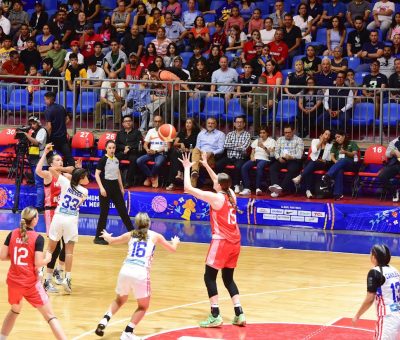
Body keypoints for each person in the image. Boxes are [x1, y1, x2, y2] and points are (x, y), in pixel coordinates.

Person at [180, 152, 246, 328]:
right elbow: (219, 178)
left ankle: (215, 314)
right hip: (235, 242)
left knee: (209, 277)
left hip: (221, 241)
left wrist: (187, 169)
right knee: (228, 278)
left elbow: (188, 188)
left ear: (219, 185)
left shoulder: (216, 198)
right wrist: (206, 165)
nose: (213, 181)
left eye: (215, 181)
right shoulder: (231, 193)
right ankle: (239, 313)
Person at [95, 212, 180, 339]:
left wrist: (107, 236)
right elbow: (172, 249)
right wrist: (175, 242)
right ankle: (128, 332)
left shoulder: (130, 234)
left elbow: (112, 241)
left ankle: (104, 321)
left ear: (136, 223)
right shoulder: (156, 236)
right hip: (140, 272)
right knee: (143, 306)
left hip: (125, 270)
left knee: (119, 300)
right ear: (149, 223)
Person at [0, 206, 67, 340]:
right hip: (30, 283)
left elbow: (2, 256)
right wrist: (47, 258)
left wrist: (15, 257)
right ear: (35, 220)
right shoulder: (37, 238)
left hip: (13, 282)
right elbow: (37, 262)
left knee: (14, 310)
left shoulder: (12, 233)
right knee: (50, 316)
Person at [36, 144, 77, 294]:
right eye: (58, 160)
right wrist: (45, 153)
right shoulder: (48, 175)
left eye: (61, 160)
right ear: (52, 163)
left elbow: (77, 177)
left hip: (64, 213)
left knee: (67, 245)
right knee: (55, 247)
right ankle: (46, 278)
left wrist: (77, 168)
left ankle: (58, 271)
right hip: (51, 212)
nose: (60, 162)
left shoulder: (65, 177)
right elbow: (37, 170)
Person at [46, 167, 89, 293]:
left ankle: (47, 279)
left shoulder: (65, 182)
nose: (88, 179)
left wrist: (64, 169)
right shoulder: (85, 191)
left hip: (58, 217)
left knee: (50, 249)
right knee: (69, 252)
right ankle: (67, 278)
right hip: (70, 220)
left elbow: (51, 169)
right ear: (81, 178)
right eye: (86, 176)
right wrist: (72, 172)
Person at [353, 244, 400, 339]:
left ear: (374, 257)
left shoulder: (375, 272)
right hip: (397, 312)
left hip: (387, 317)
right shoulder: (395, 270)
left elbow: (370, 298)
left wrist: (358, 315)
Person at [94, 140, 135, 245]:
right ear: (106, 149)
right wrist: (101, 188)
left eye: (113, 148)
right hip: (106, 187)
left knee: (123, 211)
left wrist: (121, 187)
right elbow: (97, 174)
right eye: (110, 148)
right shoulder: (103, 160)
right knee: (104, 213)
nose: (112, 150)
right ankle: (98, 238)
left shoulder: (116, 160)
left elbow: (118, 174)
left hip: (115, 187)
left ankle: (134, 234)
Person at [215, 116, 251, 194]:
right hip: (229, 157)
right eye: (237, 122)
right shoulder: (230, 134)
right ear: (234, 124)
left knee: (238, 166)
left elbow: (244, 148)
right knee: (218, 164)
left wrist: (233, 145)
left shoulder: (247, 135)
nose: (239, 124)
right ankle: (220, 184)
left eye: (241, 122)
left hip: (240, 157)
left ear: (244, 124)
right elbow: (225, 145)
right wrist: (238, 145)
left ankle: (236, 185)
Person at [292, 130, 332, 199]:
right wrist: (320, 142)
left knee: (311, 165)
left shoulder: (330, 145)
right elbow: (314, 151)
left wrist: (324, 160)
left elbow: (329, 158)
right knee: (310, 167)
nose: (327, 136)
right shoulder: (315, 141)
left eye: (329, 135)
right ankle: (308, 191)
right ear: (322, 134)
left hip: (322, 164)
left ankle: (300, 177)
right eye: (326, 134)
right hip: (312, 162)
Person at [320, 131, 359, 200]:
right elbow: (332, 156)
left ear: (343, 136)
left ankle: (328, 175)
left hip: (351, 164)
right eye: (336, 138)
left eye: (339, 137)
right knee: (339, 170)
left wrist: (345, 152)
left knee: (344, 160)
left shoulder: (352, 143)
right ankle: (337, 194)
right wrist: (336, 162)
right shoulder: (335, 145)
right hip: (340, 165)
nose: (337, 139)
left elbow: (354, 154)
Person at [268, 125, 304, 198]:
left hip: (293, 160)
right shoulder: (280, 139)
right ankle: (276, 186)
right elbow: (276, 152)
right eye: (285, 132)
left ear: (293, 131)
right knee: (272, 167)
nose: (287, 134)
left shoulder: (299, 140)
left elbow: (299, 155)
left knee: (292, 169)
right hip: (282, 159)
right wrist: (278, 158)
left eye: (289, 132)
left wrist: (291, 157)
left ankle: (281, 189)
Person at [240, 126, 276, 196]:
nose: (262, 134)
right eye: (260, 133)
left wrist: (264, 147)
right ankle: (247, 188)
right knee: (244, 167)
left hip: (265, 159)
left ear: (267, 133)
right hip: (256, 158)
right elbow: (253, 151)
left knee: (260, 166)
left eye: (263, 133)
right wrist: (252, 156)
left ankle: (258, 188)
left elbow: (272, 154)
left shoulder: (272, 141)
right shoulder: (257, 141)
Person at [136, 115, 170, 188]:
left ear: (162, 122)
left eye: (159, 121)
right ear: (153, 122)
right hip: (151, 153)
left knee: (157, 164)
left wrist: (156, 151)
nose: (157, 123)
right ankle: (152, 177)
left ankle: (149, 178)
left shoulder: (166, 131)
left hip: (161, 154)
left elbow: (168, 147)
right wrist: (147, 150)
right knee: (139, 161)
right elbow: (145, 144)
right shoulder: (150, 131)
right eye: (155, 121)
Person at [190, 117, 225, 187]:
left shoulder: (220, 134)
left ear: (216, 125)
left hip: (211, 157)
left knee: (195, 162)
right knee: (196, 149)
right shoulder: (201, 134)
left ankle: (192, 185)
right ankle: (195, 171)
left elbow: (221, 149)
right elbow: (198, 146)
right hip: (201, 154)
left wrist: (212, 152)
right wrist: (202, 153)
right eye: (208, 123)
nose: (210, 125)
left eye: (212, 123)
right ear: (206, 124)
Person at [166, 118, 200, 191]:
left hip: (191, 153)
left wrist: (189, 150)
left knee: (175, 158)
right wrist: (181, 143)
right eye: (186, 123)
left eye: (190, 123)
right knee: (175, 153)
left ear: (193, 125)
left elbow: (198, 145)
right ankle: (178, 174)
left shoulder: (197, 134)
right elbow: (175, 143)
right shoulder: (182, 132)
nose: (187, 124)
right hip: (181, 152)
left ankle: (174, 180)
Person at [22, 116, 47, 211]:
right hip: (34, 159)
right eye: (31, 123)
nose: (32, 125)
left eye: (34, 123)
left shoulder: (42, 131)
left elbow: (37, 143)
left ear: (38, 123)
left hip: (40, 160)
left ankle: (39, 207)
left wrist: (26, 135)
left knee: (39, 184)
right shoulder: (32, 131)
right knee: (38, 183)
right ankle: (40, 204)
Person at [44, 92, 75, 166]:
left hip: (53, 139)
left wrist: (47, 137)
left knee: (50, 157)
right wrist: (61, 125)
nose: (45, 101)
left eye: (45, 99)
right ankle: (74, 172)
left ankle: (51, 172)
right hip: (63, 137)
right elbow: (67, 119)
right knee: (68, 156)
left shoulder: (48, 110)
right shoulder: (61, 107)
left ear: (49, 99)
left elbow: (49, 127)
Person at [115, 115, 143, 188]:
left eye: (129, 121)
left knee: (133, 160)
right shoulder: (119, 133)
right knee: (112, 159)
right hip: (122, 152)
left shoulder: (137, 132)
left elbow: (139, 143)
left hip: (133, 152)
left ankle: (128, 182)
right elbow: (116, 144)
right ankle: (114, 180)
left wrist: (129, 147)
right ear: (123, 124)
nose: (128, 123)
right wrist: (124, 147)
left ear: (132, 122)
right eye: (126, 121)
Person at [378, 137, 400, 201]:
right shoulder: (394, 142)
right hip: (395, 164)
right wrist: (393, 152)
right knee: (382, 176)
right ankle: (394, 192)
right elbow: (387, 154)